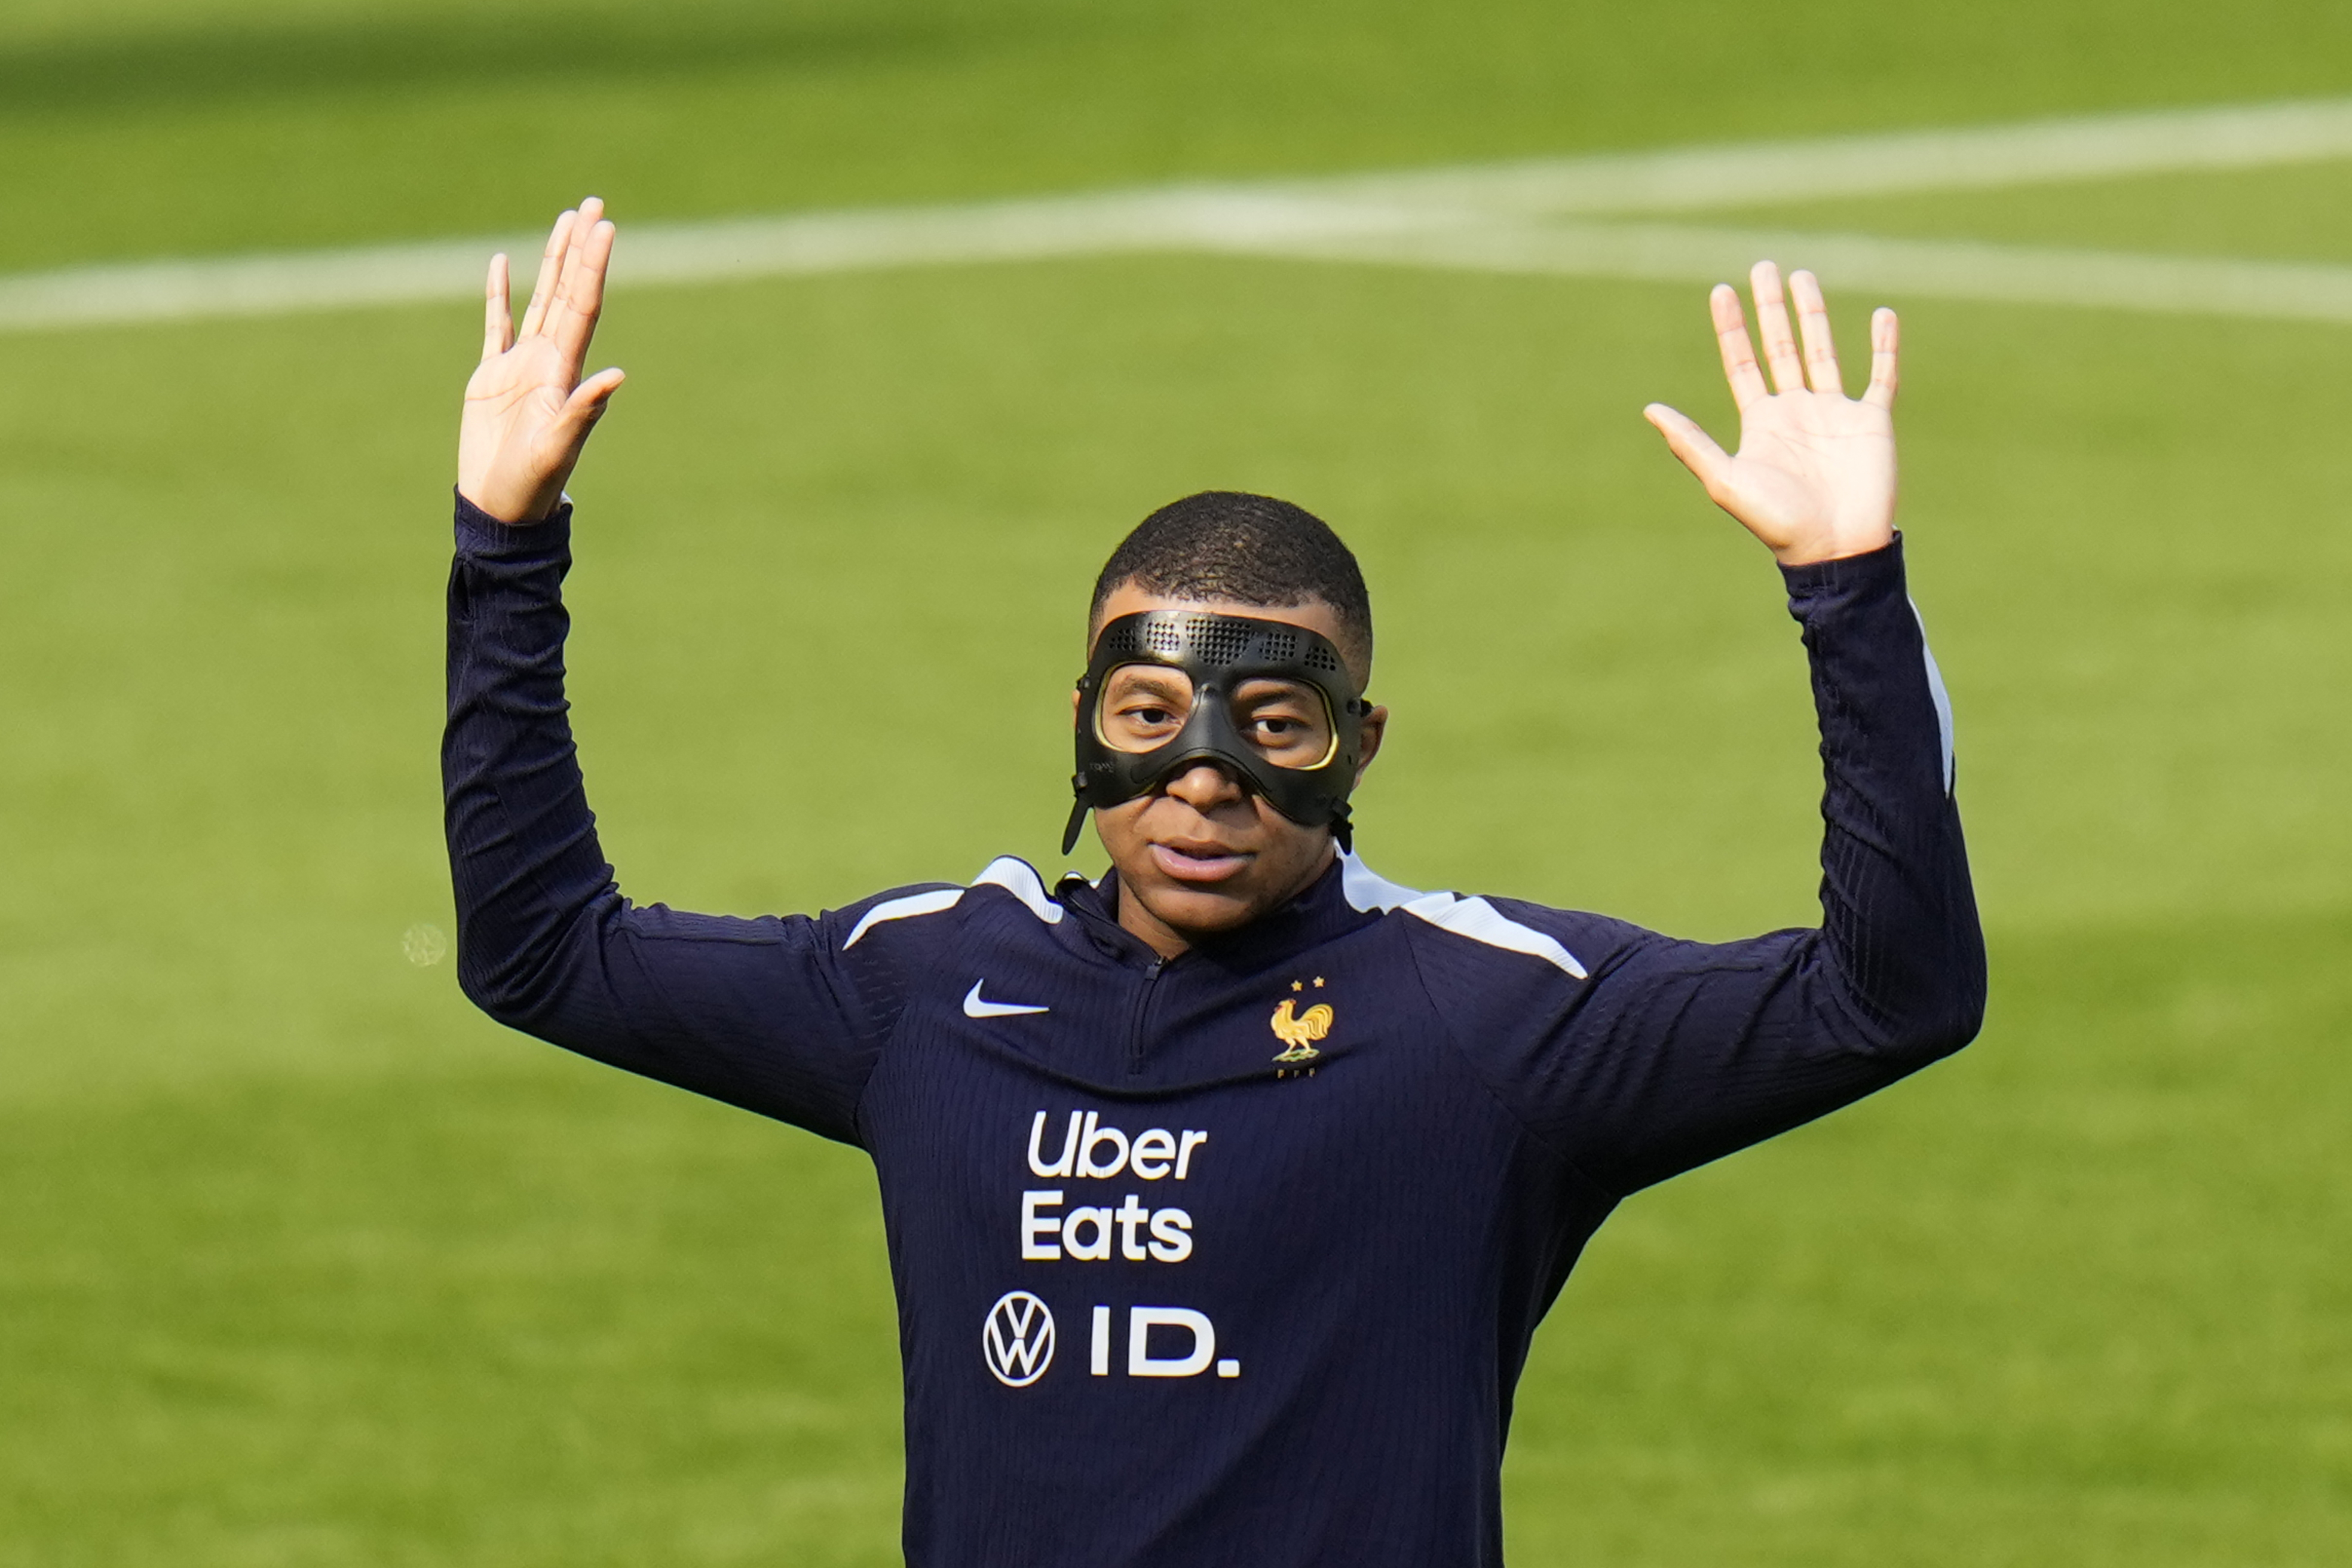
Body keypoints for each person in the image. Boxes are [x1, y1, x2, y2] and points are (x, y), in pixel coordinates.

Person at [445, 197, 1984, 1567]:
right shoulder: (926, 987)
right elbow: (544, 955)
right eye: (1147, 720)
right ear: (1081, 724)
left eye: (1272, 729)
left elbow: (1888, 998)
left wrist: (1846, 588)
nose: (1201, 779)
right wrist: (506, 542)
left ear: (1360, 746)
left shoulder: (1488, 1023)